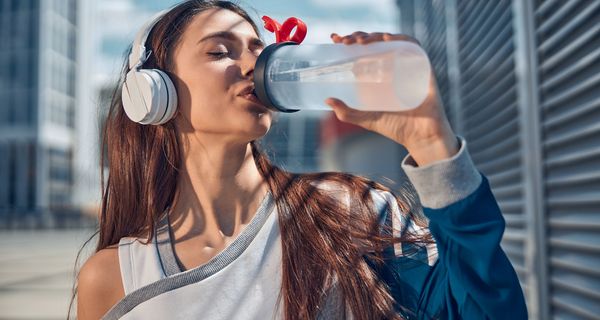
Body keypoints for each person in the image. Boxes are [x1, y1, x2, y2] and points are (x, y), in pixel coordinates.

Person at [73, 1, 528, 319]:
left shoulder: (353, 214)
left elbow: (488, 313)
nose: (254, 64)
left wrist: (431, 143)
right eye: (219, 51)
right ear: (153, 94)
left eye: (258, 48)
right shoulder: (116, 277)